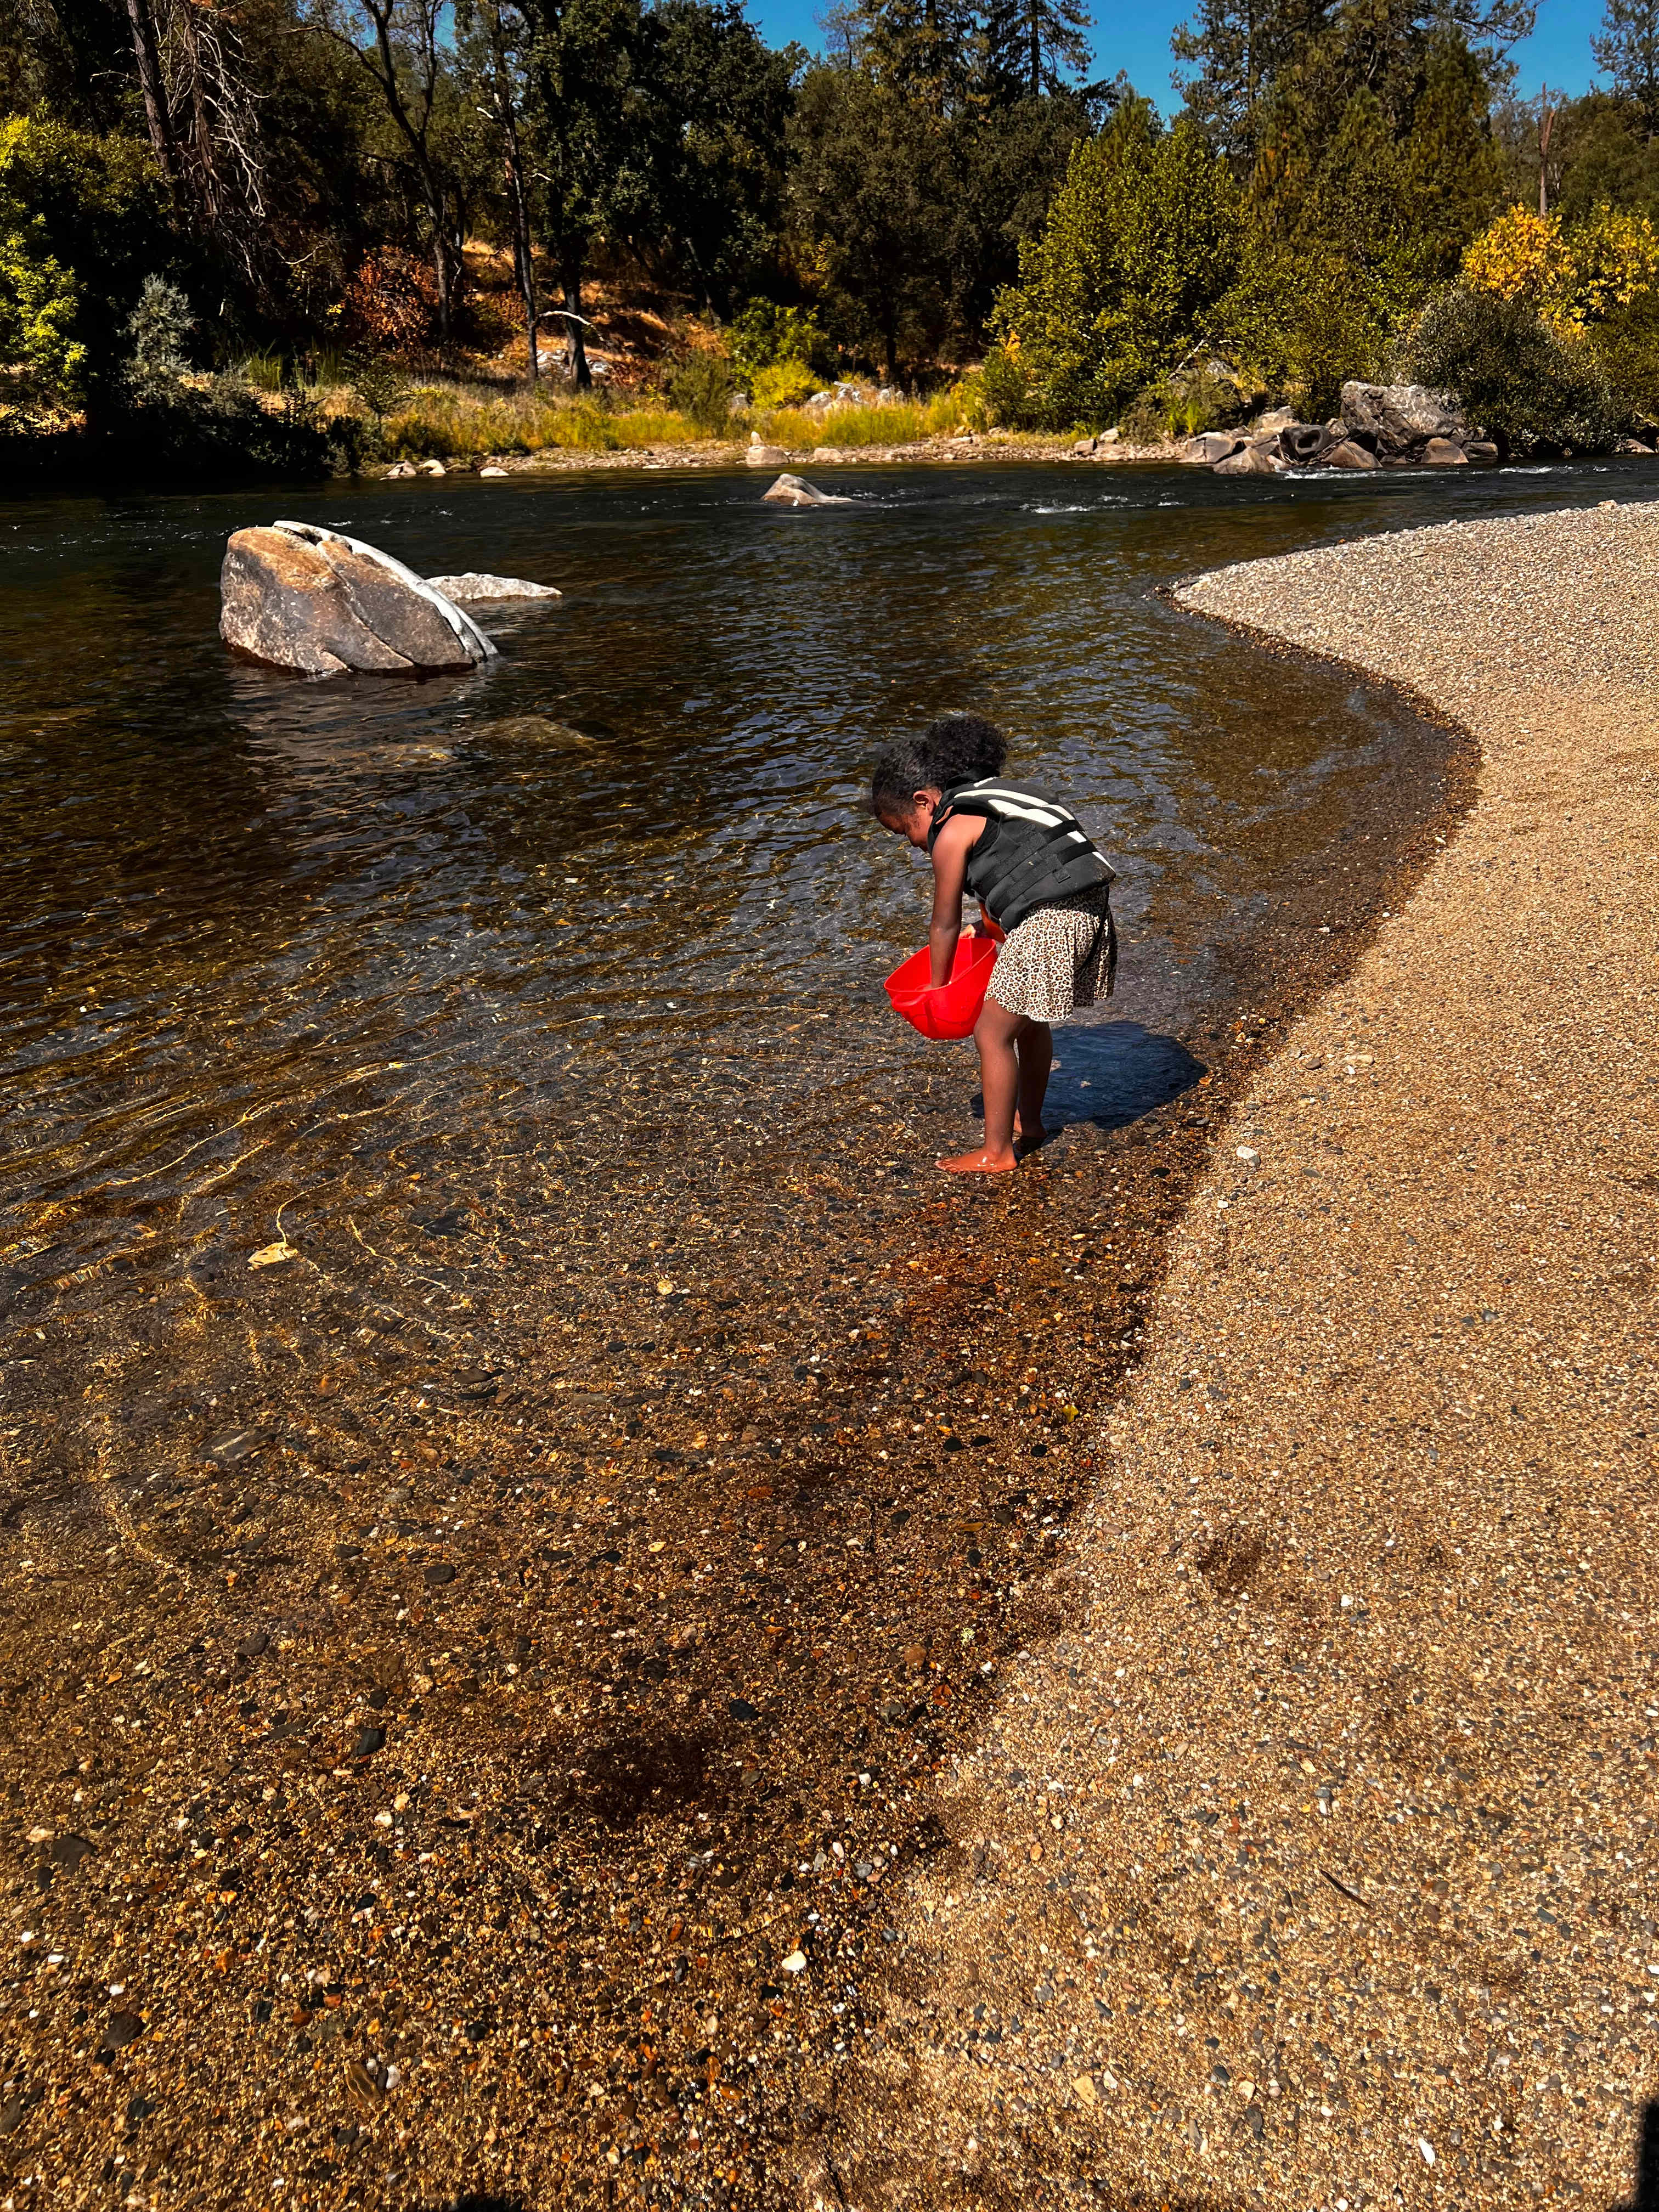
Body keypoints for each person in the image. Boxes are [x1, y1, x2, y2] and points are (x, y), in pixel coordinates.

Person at [870, 712, 1116, 1174]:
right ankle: (1032, 1122)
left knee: (991, 1032)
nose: (911, 844)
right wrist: (987, 929)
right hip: (1090, 912)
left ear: (924, 802)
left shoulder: (953, 828)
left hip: (1051, 924)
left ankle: (997, 1152)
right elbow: (1024, 871)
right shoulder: (1006, 797)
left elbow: (943, 924)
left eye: (905, 831)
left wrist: (936, 988)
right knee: (1028, 1023)